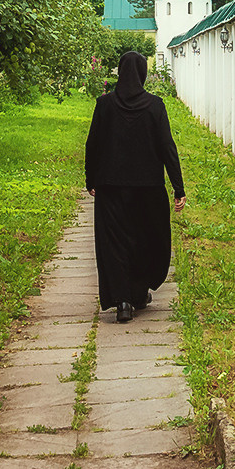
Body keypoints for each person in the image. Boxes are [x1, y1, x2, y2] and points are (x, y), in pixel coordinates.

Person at [84, 50, 186, 323]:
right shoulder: (155, 106)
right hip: (148, 188)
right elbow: (167, 146)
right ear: (141, 74)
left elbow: (92, 144)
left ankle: (123, 301)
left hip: (111, 187)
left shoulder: (104, 105)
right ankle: (139, 292)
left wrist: (90, 179)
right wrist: (179, 187)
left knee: (114, 242)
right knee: (145, 239)